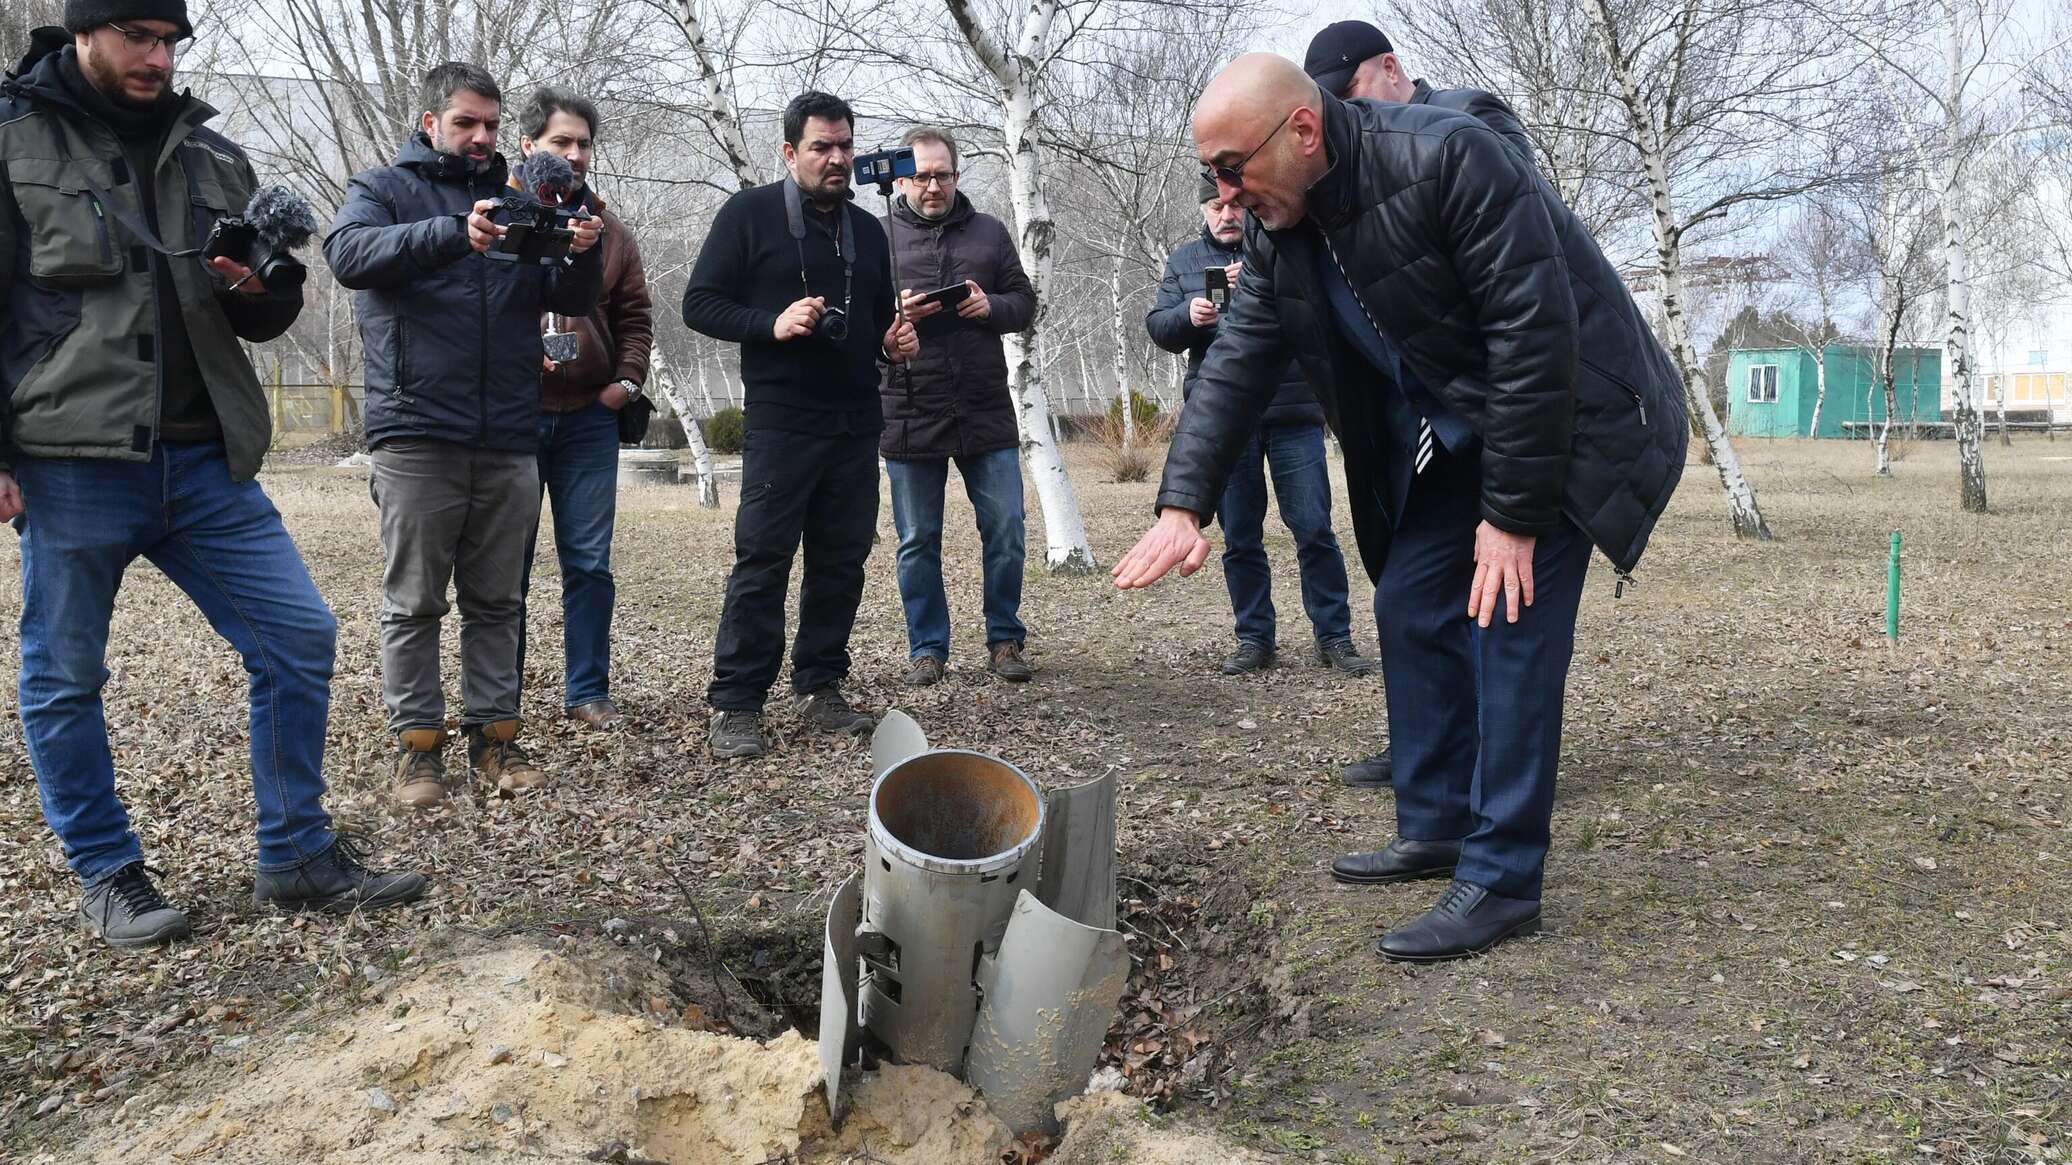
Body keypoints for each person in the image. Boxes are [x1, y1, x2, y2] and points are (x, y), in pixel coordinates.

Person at [1114, 55, 1688, 961]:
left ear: (1303, 132)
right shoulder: (1279, 225)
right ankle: (1438, 825)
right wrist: (1184, 504)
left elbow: (1536, 338)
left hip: (1573, 420)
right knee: (1412, 597)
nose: (1223, 191)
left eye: (1231, 166)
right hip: (1468, 424)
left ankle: (1502, 880)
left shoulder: (1451, 158)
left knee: (1509, 620)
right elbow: (1236, 362)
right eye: (1211, 173)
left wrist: (1513, 515)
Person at [0, 4, 426, 949]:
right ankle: (108, 871)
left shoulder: (211, 156)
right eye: (137, 38)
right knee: (64, 675)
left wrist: (267, 290)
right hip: (73, 458)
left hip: (203, 456)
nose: (158, 58)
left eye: (170, 41)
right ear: (84, 32)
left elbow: (256, 319)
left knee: (298, 634)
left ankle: (297, 852)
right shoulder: (13, 138)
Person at [325, 62, 605, 806]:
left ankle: (496, 739)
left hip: (510, 431)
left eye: (489, 125)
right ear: (431, 123)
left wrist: (585, 248)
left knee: (497, 601)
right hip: (417, 430)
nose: (480, 137)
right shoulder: (382, 189)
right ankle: (418, 751)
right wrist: (456, 233)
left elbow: (568, 296)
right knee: (415, 602)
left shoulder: (520, 197)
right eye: (465, 123)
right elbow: (347, 255)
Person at [1305, 19, 1539, 790]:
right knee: (1410, 595)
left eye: (1349, 94)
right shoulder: (1345, 173)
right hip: (1421, 414)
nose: (1343, 115)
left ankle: (1492, 763)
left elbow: (1516, 276)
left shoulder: (1469, 125)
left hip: (1496, 404)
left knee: (1493, 599)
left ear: (1390, 69)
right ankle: (1426, 748)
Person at [682, 91, 918, 759]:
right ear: (790, 153)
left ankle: (821, 686)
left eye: (844, 145)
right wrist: (772, 323)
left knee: (841, 561)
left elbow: (874, 327)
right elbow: (699, 303)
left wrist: (891, 344)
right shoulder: (749, 216)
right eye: (821, 147)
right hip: (782, 420)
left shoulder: (869, 231)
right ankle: (736, 702)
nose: (837, 158)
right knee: (763, 558)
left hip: (854, 420)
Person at [1147, 176, 1376, 679]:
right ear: (1205, 211)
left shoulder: (1282, 242)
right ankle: (1254, 638)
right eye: (1214, 207)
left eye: (1232, 206)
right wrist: (1190, 314)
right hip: (1226, 427)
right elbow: (1159, 327)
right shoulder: (1185, 261)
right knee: (1241, 538)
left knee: (1314, 529)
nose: (1226, 215)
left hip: (1294, 412)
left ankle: (1335, 636)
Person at [877, 126, 1037, 687]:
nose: (931, 185)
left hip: (984, 404)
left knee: (1007, 527)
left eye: (941, 174)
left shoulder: (989, 233)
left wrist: (988, 305)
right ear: (902, 179)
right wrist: (890, 316)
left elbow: (1024, 303)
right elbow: (856, 323)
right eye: (920, 175)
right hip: (908, 406)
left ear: (956, 176)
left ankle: (1005, 639)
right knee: (917, 539)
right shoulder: (877, 237)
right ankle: (927, 648)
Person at [515, 86, 654, 731]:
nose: (574, 154)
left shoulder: (610, 228)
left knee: (590, 562)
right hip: (511, 420)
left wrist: (624, 383)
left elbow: (635, 318)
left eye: (583, 143)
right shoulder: (499, 217)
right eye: (560, 142)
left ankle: (589, 691)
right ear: (528, 145)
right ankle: (498, 699)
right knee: (503, 566)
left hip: (588, 422)